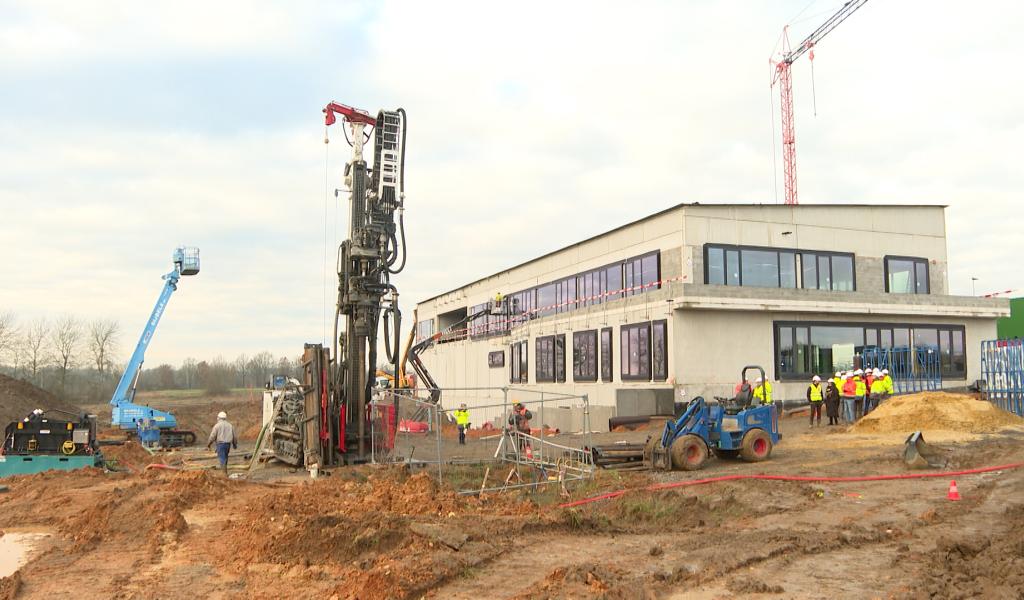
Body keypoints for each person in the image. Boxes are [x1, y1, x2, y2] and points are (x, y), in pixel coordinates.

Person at [206, 411, 237, 476]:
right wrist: (234, 444)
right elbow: (234, 436)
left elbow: (212, 436)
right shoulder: (230, 425)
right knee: (225, 457)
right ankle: (225, 471)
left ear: (219, 418)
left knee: (222, 458)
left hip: (220, 444)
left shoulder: (217, 426)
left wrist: (208, 444)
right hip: (228, 444)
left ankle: (224, 474)